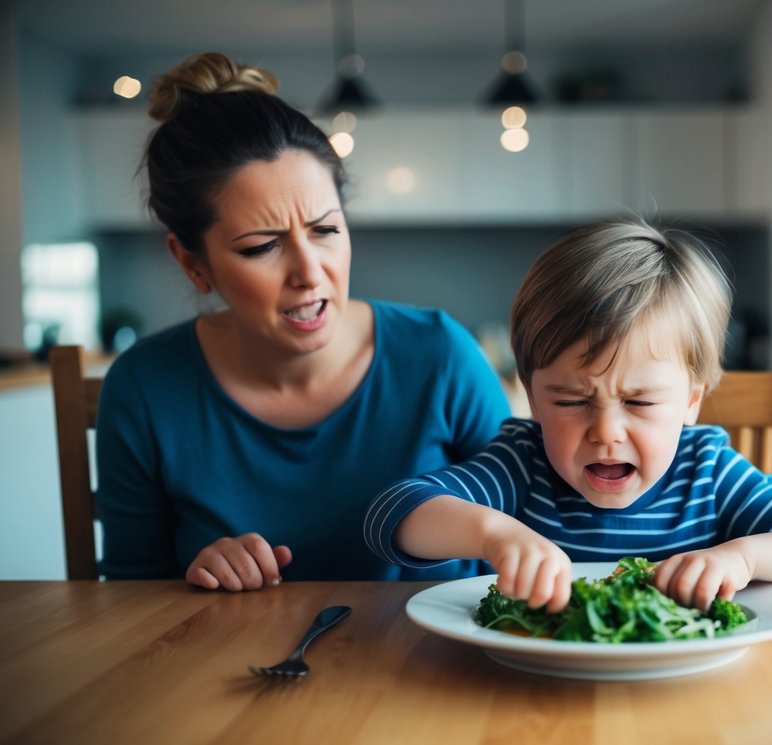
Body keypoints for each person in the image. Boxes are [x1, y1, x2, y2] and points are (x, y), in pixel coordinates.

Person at [96, 53, 510, 589]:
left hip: (434, 665)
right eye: (262, 246)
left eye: (325, 230)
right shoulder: (143, 388)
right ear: (192, 262)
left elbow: (538, 528)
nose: (310, 273)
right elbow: (130, 596)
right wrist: (193, 577)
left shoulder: (441, 356)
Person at [363, 219, 772, 612]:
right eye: (570, 401)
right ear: (534, 398)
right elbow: (392, 513)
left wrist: (742, 558)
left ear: (692, 399)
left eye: (640, 402)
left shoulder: (708, 473)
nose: (606, 432)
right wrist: (495, 534)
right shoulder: (523, 464)